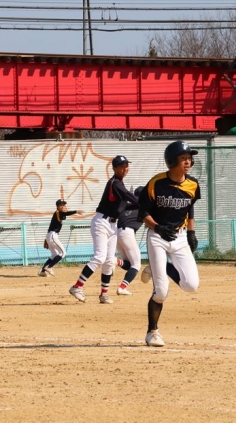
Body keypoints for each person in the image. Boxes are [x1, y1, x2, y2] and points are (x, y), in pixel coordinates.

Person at [138, 141, 201, 347]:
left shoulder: (193, 184)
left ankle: (159, 267)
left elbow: (189, 207)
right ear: (172, 161)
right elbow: (143, 213)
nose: (188, 162)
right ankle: (152, 332)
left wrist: (191, 232)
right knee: (161, 292)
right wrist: (157, 228)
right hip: (158, 237)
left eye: (189, 158)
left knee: (191, 285)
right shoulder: (156, 183)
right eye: (183, 158)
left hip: (179, 237)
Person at [69, 155, 139, 304]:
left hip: (113, 225)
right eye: (122, 166)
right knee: (100, 257)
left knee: (108, 261)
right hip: (102, 222)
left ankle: (104, 294)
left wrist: (142, 205)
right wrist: (145, 202)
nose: (125, 168)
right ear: (114, 168)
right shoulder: (115, 183)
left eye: (126, 166)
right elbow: (128, 196)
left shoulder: (119, 184)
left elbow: (126, 205)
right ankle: (77, 287)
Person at [38, 199, 84, 277]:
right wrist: (76, 211)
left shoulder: (59, 214)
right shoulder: (58, 212)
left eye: (64, 205)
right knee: (63, 253)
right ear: (58, 207)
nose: (64, 206)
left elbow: (64, 214)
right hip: (53, 235)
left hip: (50, 235)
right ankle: (49, 267)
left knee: (54, 255)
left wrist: (67, 211)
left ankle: (42, 271)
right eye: (61, 205)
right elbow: (65, 213)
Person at [114, 186, 145, 295]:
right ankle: (122, 288)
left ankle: (116, 261)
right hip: (127, 233)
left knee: (128, 264)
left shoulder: (126, 206)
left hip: (117, 233)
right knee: (136, 265)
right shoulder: (143, 206)